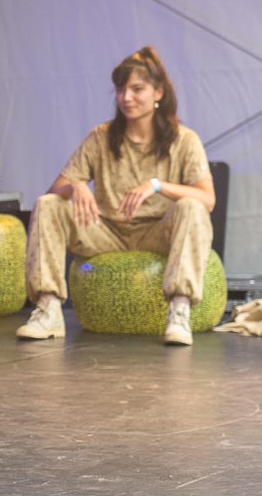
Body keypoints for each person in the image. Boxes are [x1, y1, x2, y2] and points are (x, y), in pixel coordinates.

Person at [17, 46, 215, 346]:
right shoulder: (101, 136)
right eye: (121, 90)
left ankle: (179, 311)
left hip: (157, 234)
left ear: (158, 92)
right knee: (48, 204)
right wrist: (76, 186)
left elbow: (208, 199)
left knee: (192, 206)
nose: (126, 98)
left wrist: (157, 185)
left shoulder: (184, 139)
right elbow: (54, 191)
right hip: (106, 233)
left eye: (137, 89)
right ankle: (48, 310)